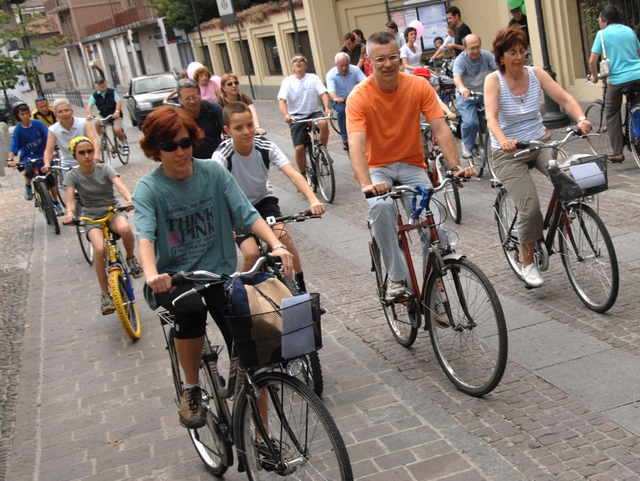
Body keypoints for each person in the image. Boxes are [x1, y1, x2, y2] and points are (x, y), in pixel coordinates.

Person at [132, 106, 293, 429]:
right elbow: (145, 236)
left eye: (185, 143)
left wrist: (275, 245)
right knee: (190, 310)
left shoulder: (214, 173)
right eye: (170, 146)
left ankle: (262, 439)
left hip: (218, 274)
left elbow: (247, 214)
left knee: (252, 351)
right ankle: (191, 389)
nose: (180, 152)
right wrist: (151, 274)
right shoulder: (149, 189)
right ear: (155, 150)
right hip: (174, 279)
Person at [346, 31, 474, 300]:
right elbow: (356, 144)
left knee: (433, 225)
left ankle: (433, 292)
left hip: (411, 165)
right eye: (380, 59)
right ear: (369, 62)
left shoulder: (417, 86)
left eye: (393, 57)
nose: (388, 64)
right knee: (381, 207)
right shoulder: (359, 96)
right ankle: (396, 278)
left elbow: (440, 128)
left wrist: (454, 167)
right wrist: (366, 183)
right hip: (377, 168)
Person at [485, 26, 592, 288]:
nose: (519, 57)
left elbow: (565, 98)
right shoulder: (493, 80)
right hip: (508, 152)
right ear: (501, 57)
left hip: (538, 141)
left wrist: (582, 118)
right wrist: (503, 141)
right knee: (530, 207)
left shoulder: (535, 74)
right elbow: (491, 117)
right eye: (513, 53)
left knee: (572, 178)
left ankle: (565, 215)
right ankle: (527, 262)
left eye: (523, 51)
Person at [213, 101, 325, 290]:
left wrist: (313, 199)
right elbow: (214, 191)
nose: (247, 132)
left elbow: (293, 174)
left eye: (250, 125)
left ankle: (300, 287)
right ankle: (240, 293)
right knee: (251, 254)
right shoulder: (222, 155)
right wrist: (222, 222)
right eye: (238, 128)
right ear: (228, 130)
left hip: (263, 201)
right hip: (237, 208)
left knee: (284, 237)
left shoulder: (264, 145)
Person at [62, 136, 142, 314]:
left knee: (125, 229)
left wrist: (129, 200)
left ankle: (130, 258)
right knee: (99, 250)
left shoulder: (104, 168)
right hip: (90, 217)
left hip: (111, 210)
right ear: (75, 155)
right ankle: (106, 295)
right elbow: (70, 201)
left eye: (89, 151)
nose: (87, 156)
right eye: (82, 153)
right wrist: (69, 214)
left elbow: (120, 186)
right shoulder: (72, 176)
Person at [588, 4, 640, 164]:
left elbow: (592, 61)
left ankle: (617, 152)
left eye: (598, 18)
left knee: (611, 112)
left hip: (618, 80)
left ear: (604, 19)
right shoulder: (629, 31)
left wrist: (594, 77)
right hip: (638, 75)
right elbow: (638, 53)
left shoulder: (602, 35)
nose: (598, 21)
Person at [277, 55, 332, 175]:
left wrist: (327, 108)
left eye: (302, 60)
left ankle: (322, 152)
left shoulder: (313, 78)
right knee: (299, 149)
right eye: (295, 61)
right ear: (292, 67)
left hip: (313, 112)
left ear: (306, 65)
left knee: (323, 122)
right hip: (296, 116)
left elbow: (323, 94)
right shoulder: (287, 82)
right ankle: (302, 174)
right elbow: (282, 102)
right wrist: (287, 115)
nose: (298, 62)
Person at [7, 102, 63, 212]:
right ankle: (28, 186)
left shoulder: (37, 124)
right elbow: (14, 145)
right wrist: (10, 159)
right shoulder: (18, 130)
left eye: (27, 113)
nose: (25, 116)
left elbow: (48, 137)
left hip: (43, 154)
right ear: (18, 116)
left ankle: (56, 202)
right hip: (28, 156)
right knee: (27, 170)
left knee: (50, 179)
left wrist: (52, 151)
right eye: (22, 114)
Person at [453, 34, 496, 159]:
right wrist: (461, 88)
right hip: (467, 95)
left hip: (484, 93)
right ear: (465, 48)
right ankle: (467, 144)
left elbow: (498, 69)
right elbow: (457, 77)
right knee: (471, 122)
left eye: (478, 47)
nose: (476, 51)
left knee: (494, 117)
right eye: (472, 48)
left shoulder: (486, 55)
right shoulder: (460, 60)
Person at [43, 99, 101, 174]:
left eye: (66, 110)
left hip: (87, 159)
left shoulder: (83, 123)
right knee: (69, 183)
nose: (64, 114)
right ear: (56, 115)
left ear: (72, 111)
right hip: (68, 163)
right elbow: (48, 150)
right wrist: (47, 164)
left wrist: (96, 156)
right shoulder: (53, 129)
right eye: (60, 112)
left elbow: (95, 141)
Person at [326, 52, 366, 150]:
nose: (344, 68)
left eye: (346, 65)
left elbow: (365, 83)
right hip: (340, 100)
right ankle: (345, 138)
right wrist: (335, 98)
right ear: (336, 65)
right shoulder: (331, 74)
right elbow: (331, 90)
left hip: (354, 98)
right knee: (342, 111)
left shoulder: (355, 70)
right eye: (341, 66)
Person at [176, 78, 225, 159]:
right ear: (180, 99)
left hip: (217, 159)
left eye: (194, 97)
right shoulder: (176, 116)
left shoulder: (213, 109)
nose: (192, 101)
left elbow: (229, 130)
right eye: (187, 98)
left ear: (200, 95)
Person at [86, 77, 129, 155]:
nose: (102, 85)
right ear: (96, 86)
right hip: (104, 115)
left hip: (115, 115)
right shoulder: (94, 96)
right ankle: (104, 140)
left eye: (103, 83)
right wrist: (89, 114)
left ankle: (124, 143)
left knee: (116, 130)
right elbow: (89, 106)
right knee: (96, 122)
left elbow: (118, 101)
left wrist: (117, 111)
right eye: (99, 84)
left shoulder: (112, 92)